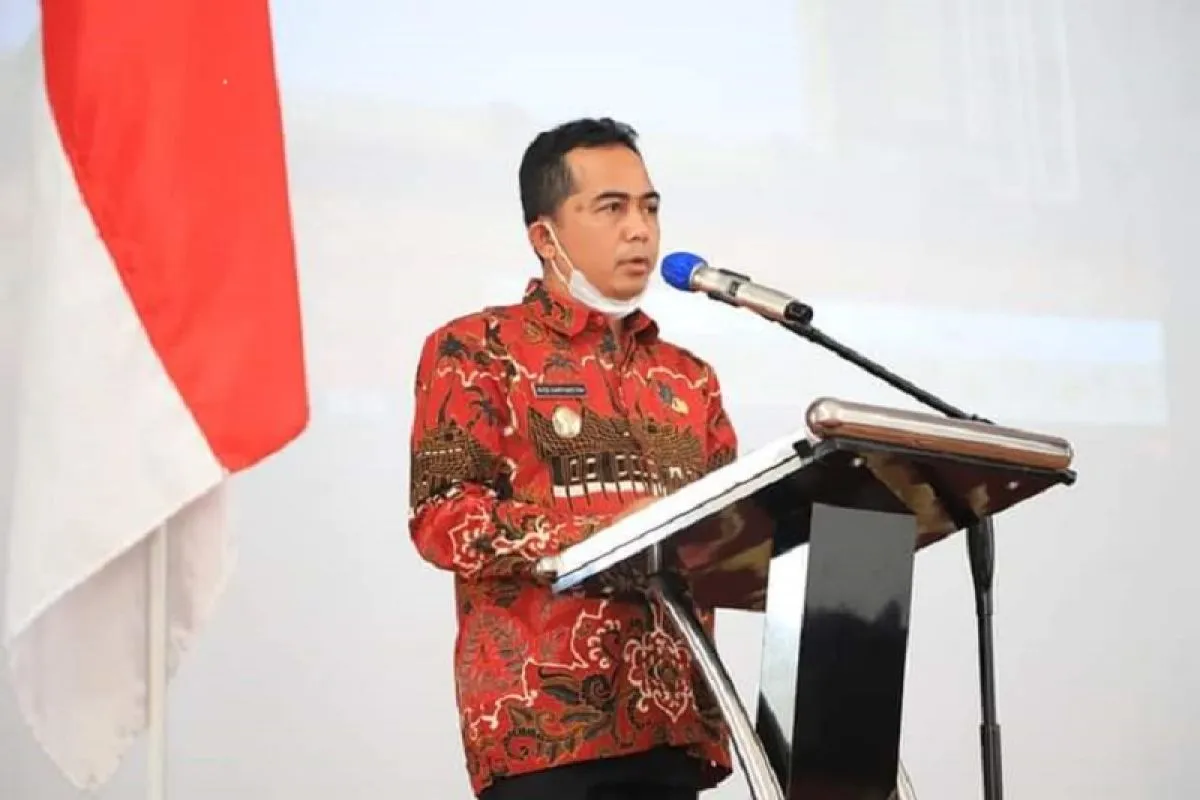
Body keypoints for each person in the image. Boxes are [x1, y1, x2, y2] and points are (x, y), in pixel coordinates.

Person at [408, 118, 739, 800]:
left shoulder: (689, 378)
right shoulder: (476, 351)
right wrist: (606, 534)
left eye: (649, 208)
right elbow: (445, 519)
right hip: (548, 737)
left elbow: (727, 538)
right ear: (544, 237)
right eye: (611, 208)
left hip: (678, 730)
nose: (640, 230)